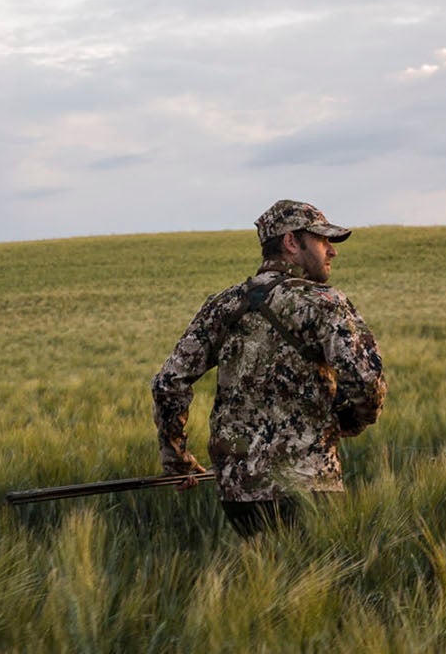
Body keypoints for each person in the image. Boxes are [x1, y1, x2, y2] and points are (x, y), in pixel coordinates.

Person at [152, 200, 386, 537]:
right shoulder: (325, 303)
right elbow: (368, 386)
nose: (331, 252)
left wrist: (176, 459)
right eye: (322, 240)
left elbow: (168, 383)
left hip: (239, 493)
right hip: (310, 483)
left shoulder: (224, 305)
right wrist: (348, 421)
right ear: (291, 242)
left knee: (266, 576)